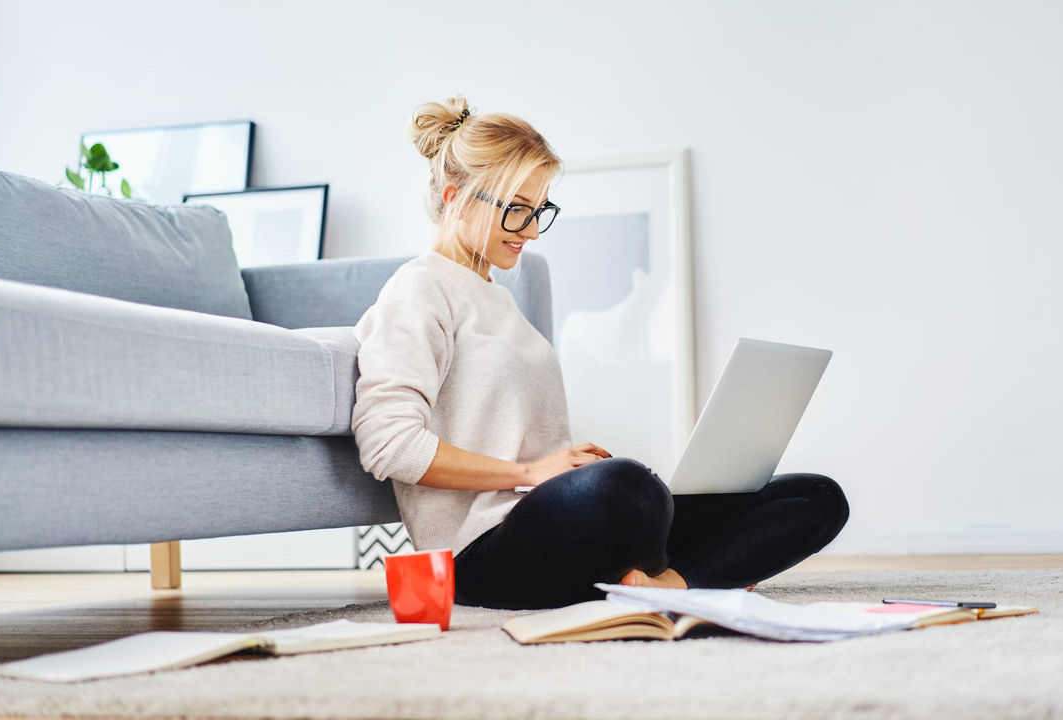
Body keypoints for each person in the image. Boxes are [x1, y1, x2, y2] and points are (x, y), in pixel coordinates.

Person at [351, 95, 849, 610]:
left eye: (539, 210)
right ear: (456, 197)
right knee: (629, 489)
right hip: (480, 552)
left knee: (815, 497)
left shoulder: (496, 299)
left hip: (554, 523)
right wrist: (529, 474)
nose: (529, 230)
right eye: (516, 209)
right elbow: (388, 444)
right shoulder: (418, 290)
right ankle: (691, 569)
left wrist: (563, 469)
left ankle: (666, 586)